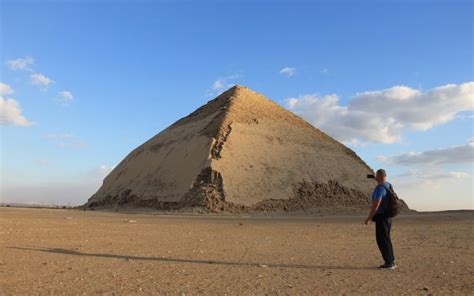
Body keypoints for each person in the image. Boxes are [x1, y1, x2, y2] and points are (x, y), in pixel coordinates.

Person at [364, 169, 396, 270]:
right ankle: (391, 260)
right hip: (388, 217)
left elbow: (376, 204)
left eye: (376, 176)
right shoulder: (388, 185)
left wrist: (369, 218)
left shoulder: (379, 189)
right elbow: (382, 180)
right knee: (386, 238)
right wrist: (376, 178)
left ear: (379, 176)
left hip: (382, 217)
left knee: (382, 240)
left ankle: (389, 263)